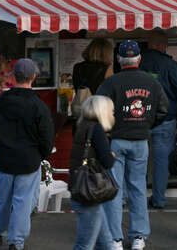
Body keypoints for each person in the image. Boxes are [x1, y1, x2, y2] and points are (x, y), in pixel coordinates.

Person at [97, 41, 168, 250]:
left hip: (116, 140)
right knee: (137, 189)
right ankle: (138, 237)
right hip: (140, 141)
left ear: (118, 59)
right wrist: (146, 125)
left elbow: (97, 110)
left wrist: (109, 129)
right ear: (139, 59)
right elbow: (164, 109)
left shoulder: (111, 83)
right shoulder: (152, 82)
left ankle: (115, 239)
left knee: (114, 190)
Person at [0, 59, 55, 250]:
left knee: (4, 198)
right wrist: (42, 155)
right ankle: (16, 242)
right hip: (28, 159)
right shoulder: (38, 105)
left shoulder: (1, 102)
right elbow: (47, 137)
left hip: (5, 158)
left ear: (13, 76)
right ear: (33, 77)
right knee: (22, 202)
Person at [140, 29, 177, 209]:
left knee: (139, 159)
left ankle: (135, 198)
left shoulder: (138, 62)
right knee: (161, 161)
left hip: (140, 119)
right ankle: (159, 199)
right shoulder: (172, 66)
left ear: (149, 44)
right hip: (166, 119)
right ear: (162, 46)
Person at [70, 95, 117, 250]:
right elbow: (107, 162)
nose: (113, 113)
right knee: (85, 245)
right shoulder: (96, 129)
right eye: (111, 111)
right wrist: (112, 155)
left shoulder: (81, 125)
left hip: (81, 188)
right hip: (90, 192)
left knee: (106, 243)